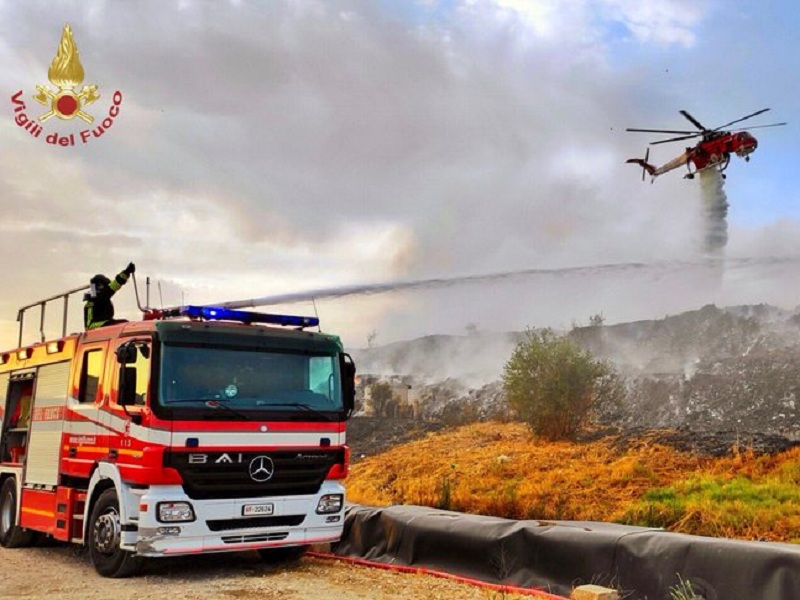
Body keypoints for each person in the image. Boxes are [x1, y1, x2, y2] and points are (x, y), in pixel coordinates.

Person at [83, 262, 135, 330]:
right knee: (123, 324)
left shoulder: (98, 298)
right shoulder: (99, 298)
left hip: (99, 325)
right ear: (101, 286)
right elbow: (115, 284)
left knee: (122, 323)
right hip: (93, 327)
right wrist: (127, 272)